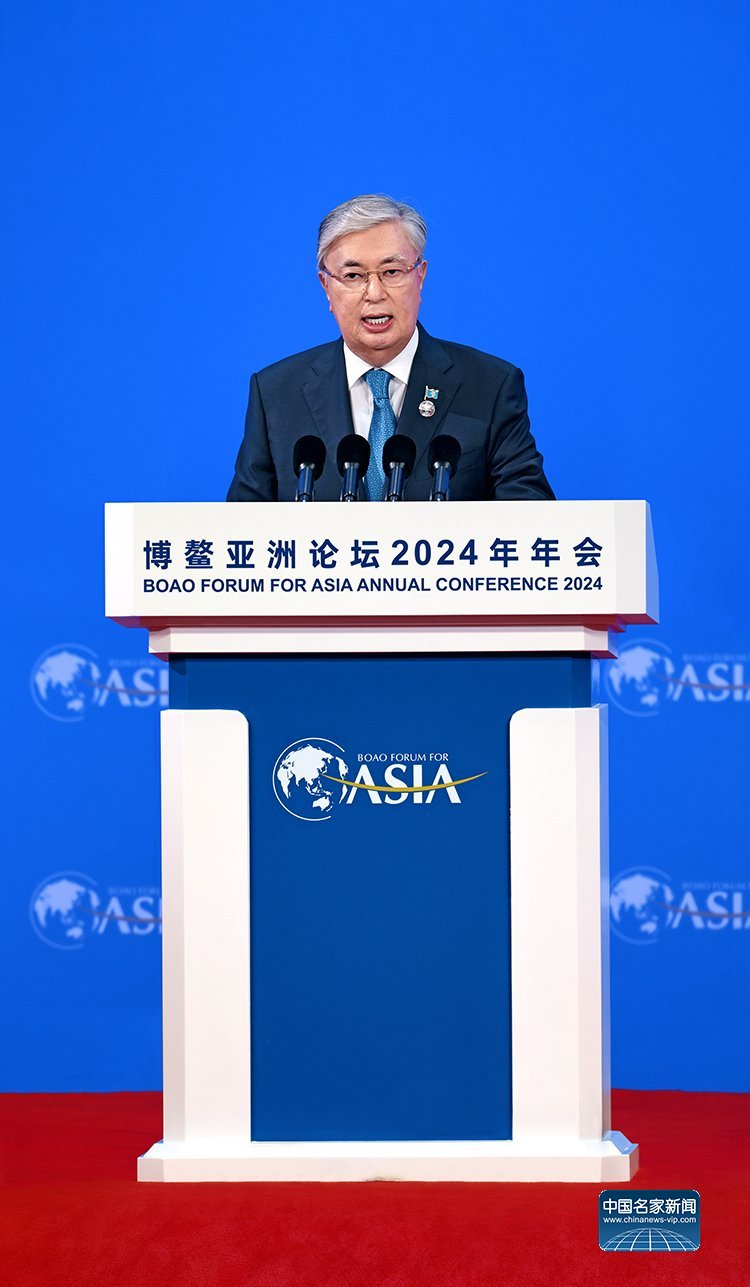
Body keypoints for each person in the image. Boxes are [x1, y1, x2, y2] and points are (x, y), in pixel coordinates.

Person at [227, 194, 554, 502]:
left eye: (392, 272)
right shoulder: (276, 394)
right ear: (326, 287)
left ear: (420, 277)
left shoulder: (490, 386)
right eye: (353, 275)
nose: (374, 293)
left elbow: (531, 517)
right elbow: (241, 529)